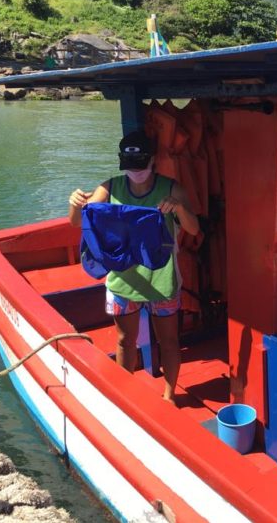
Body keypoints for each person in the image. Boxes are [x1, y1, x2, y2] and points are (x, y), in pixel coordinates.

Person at [68, 130, 200, 404]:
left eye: (141, 163)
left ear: (152, 160)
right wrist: (74, 205)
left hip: (162, 279)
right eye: (130, 165)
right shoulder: (110, 187)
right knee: (125, 339)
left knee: (169, 341)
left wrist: (178, 209)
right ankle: (124, 395)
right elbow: (80, 222)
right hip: (123, 280)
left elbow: (193, 228)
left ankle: (169, 395)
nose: (136, 171)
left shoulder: (171, 188)